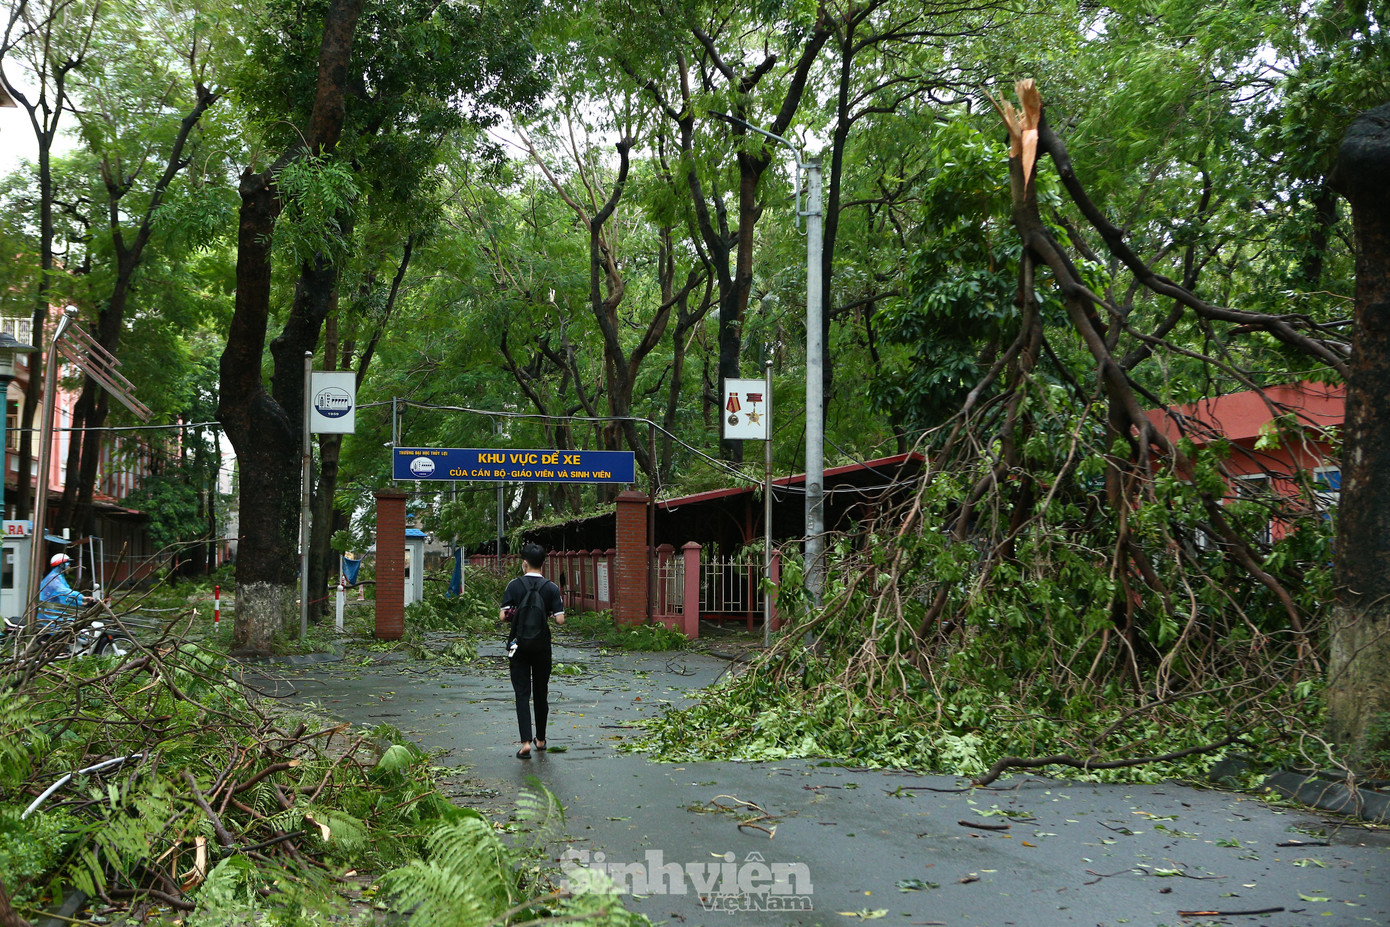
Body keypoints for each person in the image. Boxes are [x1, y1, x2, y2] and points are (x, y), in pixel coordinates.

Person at [499, 542, 565, 759]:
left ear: (524, 563)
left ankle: (525, 742)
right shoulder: (551, 587)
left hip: (518, 645)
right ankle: (541, 739)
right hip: (542, 646)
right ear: (543, 563)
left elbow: (503, 616)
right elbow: (560, 620)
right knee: (540, 692)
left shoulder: (514, 585)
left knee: (522, 693)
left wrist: (519, 614)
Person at [39, 553, 96, 625]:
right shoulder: (53, 579)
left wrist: (83, 604)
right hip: (49, 618)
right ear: (62, 565)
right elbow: (66, 593)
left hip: (55, 615)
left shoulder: (59, 578)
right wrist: (84, 598)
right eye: (68, 565)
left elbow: (65, 598)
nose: (70, 567)